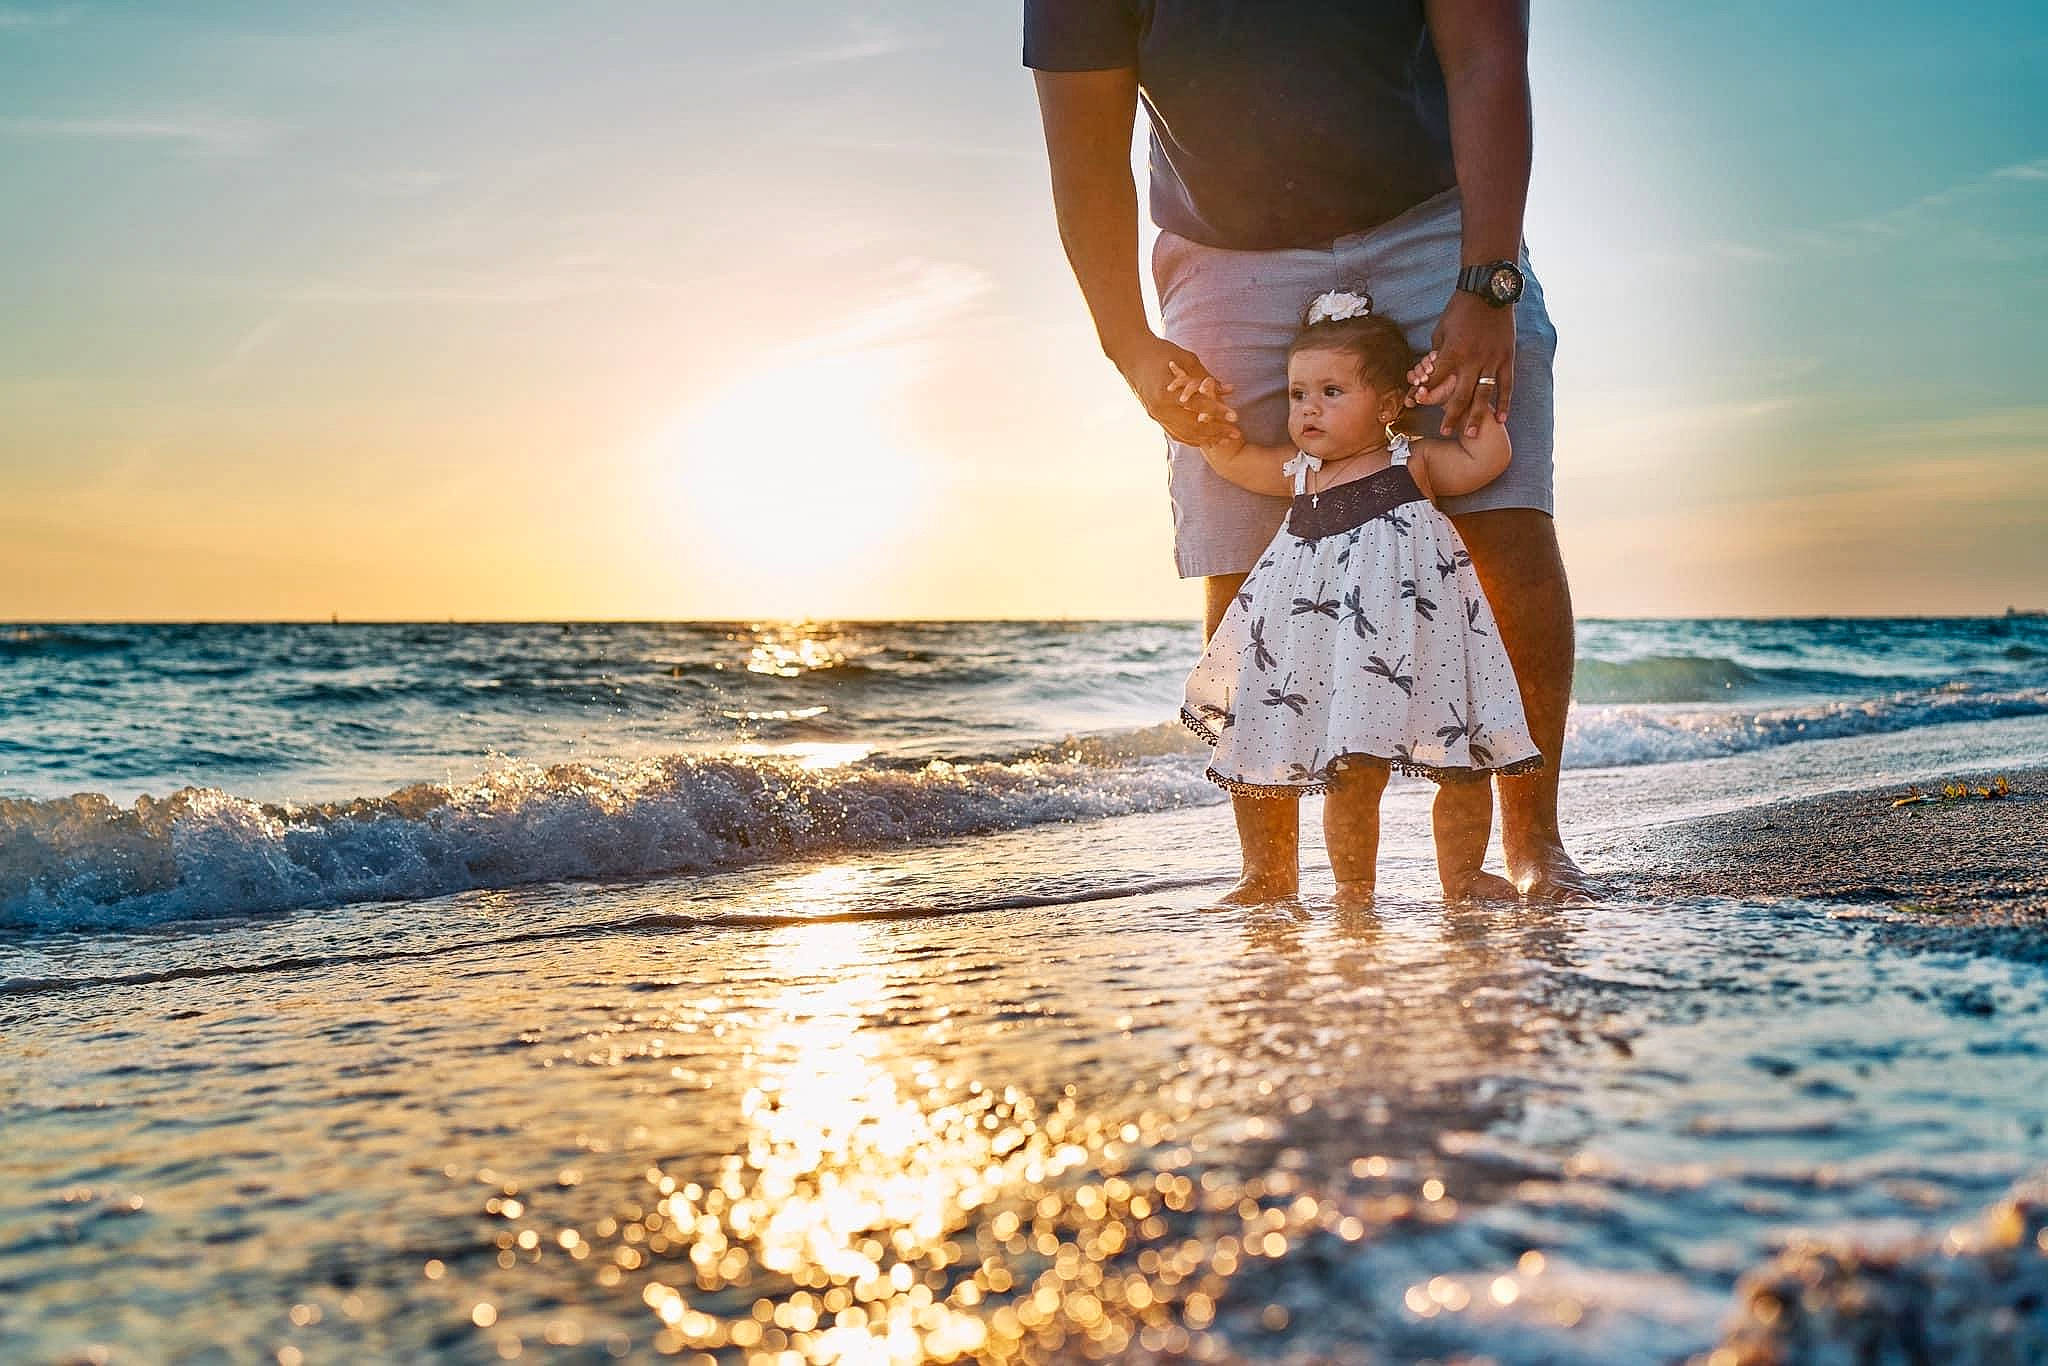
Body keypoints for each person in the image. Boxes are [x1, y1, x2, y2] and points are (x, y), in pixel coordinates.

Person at [1026, 0, 1591, 901]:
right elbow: (1086, 149)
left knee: (1504, 516)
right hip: (1224, 253)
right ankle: (1269, 872)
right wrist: (1128, 342)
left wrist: (1488, 283)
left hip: (1432, 219)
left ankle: (1533, 844)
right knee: (1245, 552)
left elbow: (1486, 51)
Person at [1179, 290, 1540, 904]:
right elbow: (1236, 463)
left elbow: (1486, 460)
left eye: (1331, 392)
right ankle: (1352, 887)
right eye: (1298, 395)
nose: (1308, 410)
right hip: (1327, 644)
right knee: (1350, 768)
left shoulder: (1412, 460)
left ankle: (1463, 876)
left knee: (1462, 757)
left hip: (1417, 636)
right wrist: (1210, 429)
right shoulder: (1299, 471)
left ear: (1389, 405)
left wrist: (1475, 395)